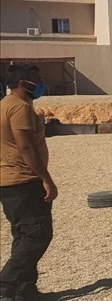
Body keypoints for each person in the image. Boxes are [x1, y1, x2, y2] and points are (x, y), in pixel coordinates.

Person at [0, 63, 57, 301]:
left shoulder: (4, 105)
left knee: (23, 236)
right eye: (37, 80)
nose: (41, 84)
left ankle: (23, 291)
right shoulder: (19, 108)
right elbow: (25, 147)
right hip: (23, 181)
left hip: (8, 182)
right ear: (24, 83)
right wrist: (46, 179)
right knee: (37, 235)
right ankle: (5, 285)